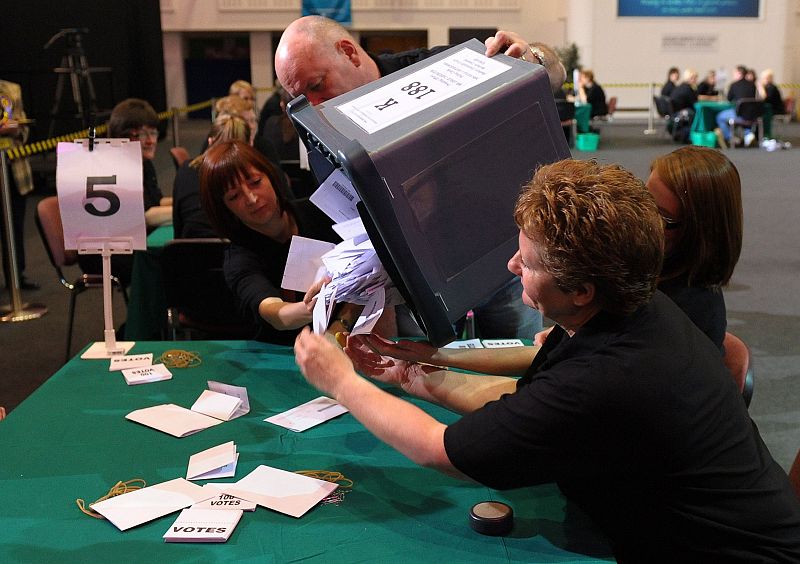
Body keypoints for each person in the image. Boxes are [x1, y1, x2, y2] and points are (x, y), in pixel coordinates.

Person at [294, 159, 800, 562]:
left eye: (528, 262)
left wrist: (341, 382)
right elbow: (526, 400)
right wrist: (411, 372)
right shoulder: (631, 306)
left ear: (580, 290)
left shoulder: (608, 376)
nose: (512, 266)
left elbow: (437, 450)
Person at [274, 15, 561, 339]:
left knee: (517, 364)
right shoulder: (326, 133)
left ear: (349, 53)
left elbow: (556, 73)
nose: (314, 105)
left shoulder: (435, 67)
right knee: (430, 377)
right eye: (300, 98)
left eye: (316, 85)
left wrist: (530, 58)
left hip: (500, 260)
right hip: (421, 282)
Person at [199, 140, 393, 344]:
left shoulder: (320, 213)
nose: (252, 198)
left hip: (353, 335)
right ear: (224, 208)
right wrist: (312, 307)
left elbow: (371, 273)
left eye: (255, 182)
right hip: (282, 354)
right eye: (234, 196)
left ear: (271, 177)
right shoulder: (238, 259)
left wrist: (338, 325)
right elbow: (276, 313)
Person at [646, 146, 742, 351]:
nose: (642, 219)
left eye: (663, 217)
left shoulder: (687, 310)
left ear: (700, 231)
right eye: (644, 201)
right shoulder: (654, 267)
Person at [78, 98, 172, 286]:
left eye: (153, 133)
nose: (151, 141)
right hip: (108, 254)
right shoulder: (113, 167)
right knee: (172, 260)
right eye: (142, 134)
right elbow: (144, 216)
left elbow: (157, 201)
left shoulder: (143, 162)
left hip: (131, 244)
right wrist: (186, 210)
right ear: (121, 135)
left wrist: (190, 201)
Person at [172, 114, 251, 239]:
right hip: (236, 249)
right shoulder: (250, 174)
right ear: (249, 144)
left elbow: (178, 225)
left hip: (188, 252)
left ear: (210, 141)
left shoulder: (186, 169)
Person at [0, 79, 38, 291]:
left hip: (15, 171)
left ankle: (17, 275)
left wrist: (12, 128)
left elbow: (23, 128)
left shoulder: (12, 89)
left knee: (15, 227)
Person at [715, 65, 757, 148]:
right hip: (753, 115)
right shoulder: (752, 85)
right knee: (746, 117)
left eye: (734, 73)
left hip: (739, 114)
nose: (733, 75)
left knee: (719, 117)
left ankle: (730, 137)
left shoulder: (734, 85)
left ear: (739, 73)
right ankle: (748, 135)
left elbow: (729, 99)